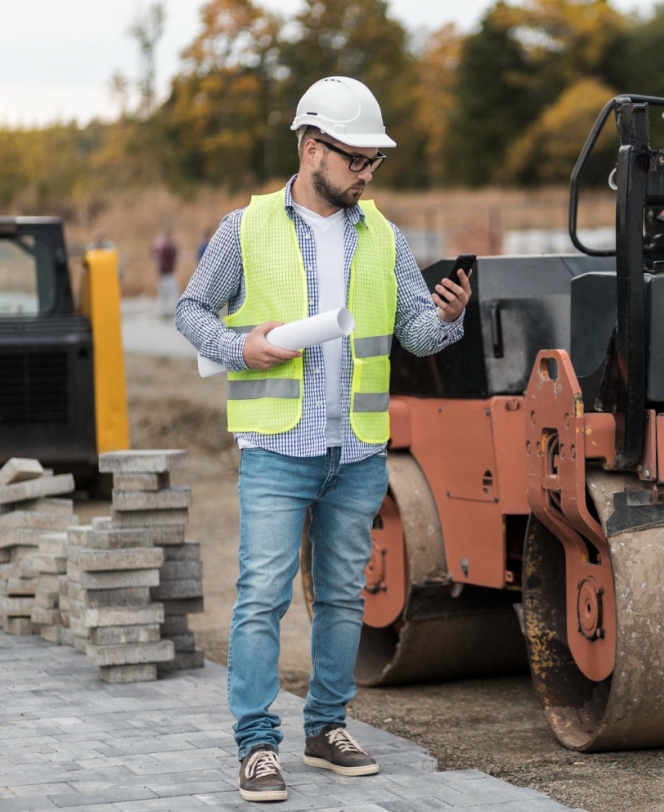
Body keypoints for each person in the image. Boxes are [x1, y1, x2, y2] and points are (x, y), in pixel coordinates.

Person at [175, 76, 471, 804]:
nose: (368, 174)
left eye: (375, 162)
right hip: (277, 447)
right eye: (357, 160)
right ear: (313, 149)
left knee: (342, 597)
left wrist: (450, 315)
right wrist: (243, 348)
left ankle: (326, 726)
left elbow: (415, 334)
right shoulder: (244, 228)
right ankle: (256, 746)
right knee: (260, 600)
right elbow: (190, 310)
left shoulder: (385, 238)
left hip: (357, 451)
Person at [152, 228, 179, 317]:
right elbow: (173, 253)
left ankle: (166, 310)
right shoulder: (165, 246)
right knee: (168, 293)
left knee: (169, 293)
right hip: (166, 273)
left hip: (166, 273)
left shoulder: (159, 245)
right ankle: (164, 311)